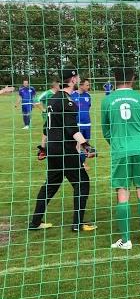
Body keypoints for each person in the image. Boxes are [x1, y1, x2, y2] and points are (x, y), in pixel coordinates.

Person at [28, 68, 97, 232]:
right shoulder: (68, 101)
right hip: (65, 149)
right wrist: (86, 145)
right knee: (82, 183)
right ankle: (77, 224)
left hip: (53, 148)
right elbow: (72, 129)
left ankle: (35, 222)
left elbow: (46, 128)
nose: (79, 79)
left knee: (50, 185)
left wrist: (43, 148)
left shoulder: (53, 99)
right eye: (77, 77)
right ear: (72, 80)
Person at [101, 67, 140, 250]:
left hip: (120, 150)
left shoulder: (108, 100)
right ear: (132, 79)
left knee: (122, 191)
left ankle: (126, 240)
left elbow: (106, 130)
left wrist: (117, 143)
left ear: (115, 79)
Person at [34, 81, 60, 161]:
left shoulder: (59, 94)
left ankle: (50, 148)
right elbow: (36, 100)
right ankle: (43, 149)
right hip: (47, 116)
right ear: (55, 86)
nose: (61, 86)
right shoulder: (47, 93)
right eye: (59, 85)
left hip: (56, 116)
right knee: (47, 131)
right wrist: (43, 109)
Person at [70, 78, 92, 168]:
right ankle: (80, 164)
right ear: (81, 85)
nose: (88, 86)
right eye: (87, 85)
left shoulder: (88, 96)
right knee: (78, 144)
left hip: (87, 124)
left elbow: (88, 108)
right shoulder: (72, 95)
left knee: (85, 144)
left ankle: (82, 162)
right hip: (77, 124)